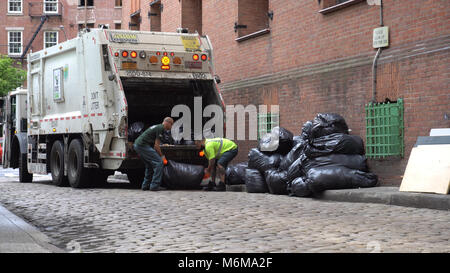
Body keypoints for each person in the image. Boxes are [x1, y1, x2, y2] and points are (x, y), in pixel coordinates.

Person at [133, 117, 174, 191]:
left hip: (138, 145)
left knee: (149, 165)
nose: (171, 127)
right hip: (142, 145)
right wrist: (162, 156)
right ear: (167, 123)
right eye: (171, 125)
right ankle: (154, 186)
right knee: (159, 163)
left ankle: (145, 186)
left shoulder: (157, 126)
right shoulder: (161, 128)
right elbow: (156, 146)